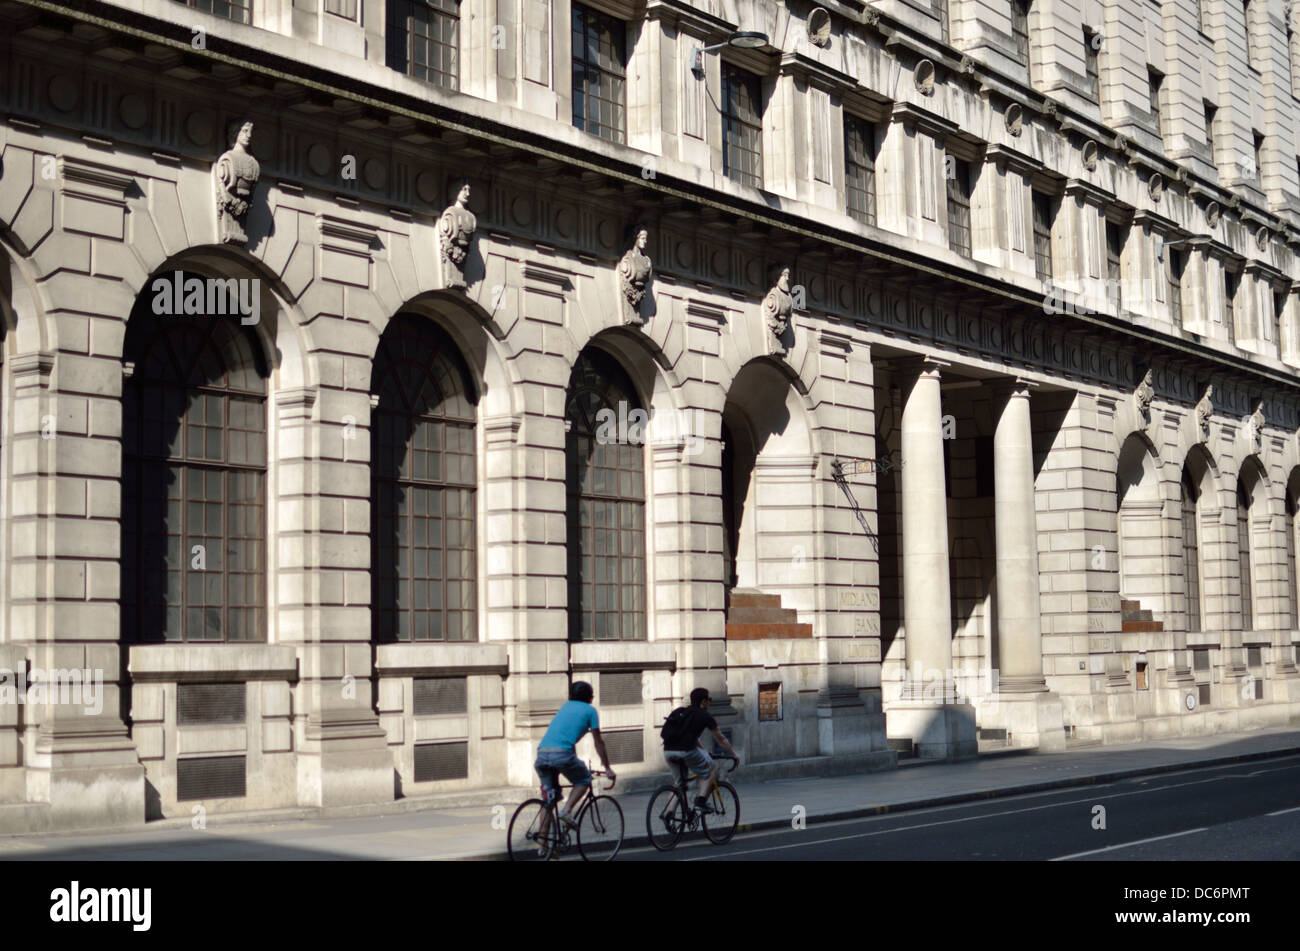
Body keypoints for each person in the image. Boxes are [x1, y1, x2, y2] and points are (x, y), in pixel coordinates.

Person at [534, 681, 614, 833]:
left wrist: (575, 762)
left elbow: (567, 738)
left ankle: (544, 846)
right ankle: (566, 810)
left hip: (542, 754)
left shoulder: (565, 707)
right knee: (584, 779)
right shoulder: (590, 711)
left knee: (548, 800)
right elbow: (599, 742)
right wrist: (607, 767)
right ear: (590, 698)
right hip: (562, 755)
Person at [661, 688, 740, 814]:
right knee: (712, 768)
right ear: (703, 702)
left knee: (679, 784)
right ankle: (700, 801)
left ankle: (669, 814)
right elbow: (721, 740)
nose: (709, 703)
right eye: (708, 700)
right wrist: (734, 755)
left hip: (668, 751)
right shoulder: (705, 716)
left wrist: (703, 752)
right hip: (685, 751)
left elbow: (691, 737)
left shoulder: (683, 712)